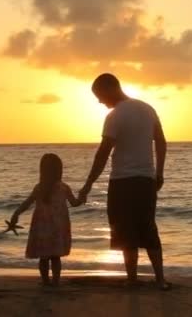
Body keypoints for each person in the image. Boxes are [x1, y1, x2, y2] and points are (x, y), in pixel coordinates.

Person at [78, 73, 170, 290]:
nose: (100, 101)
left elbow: (102, 154)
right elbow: (162, 142)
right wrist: (159, 173)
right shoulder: (148, 109)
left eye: (99, 95)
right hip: (147, 180)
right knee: (148, 228)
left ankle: (132, 279)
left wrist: (88, 184)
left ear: (111, 88)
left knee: (125, 230)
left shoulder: (115, 116)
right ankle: (160, 280)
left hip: (122, 181)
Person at [7, 153, 83, 287]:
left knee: (43, 256)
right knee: (55, 256)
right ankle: (56, 281)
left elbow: (27, 203)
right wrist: (83, 197)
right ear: (59, 170)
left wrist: (16, 213)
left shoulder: (39, 188)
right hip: (58, 227)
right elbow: (74, 203)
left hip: (42, 227)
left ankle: (45, 281)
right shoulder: (63, 187)